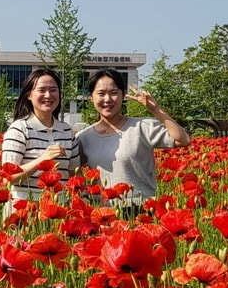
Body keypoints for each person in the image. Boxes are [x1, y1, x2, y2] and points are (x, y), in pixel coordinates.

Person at [76, 68, 191, 212]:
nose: (107, 99)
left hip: (142, 210)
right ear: (91, 97)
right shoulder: (84, 137)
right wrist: (85, 196)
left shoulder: (142, 127)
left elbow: (183, 139)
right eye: (101, 93)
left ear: (123, 95)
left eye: (114, 93)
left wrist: (156, 109)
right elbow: (73, 171)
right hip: (105, 213)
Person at [0, 68, 78, 219]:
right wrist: (43, 159)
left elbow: (74, 174)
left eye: (53, 90)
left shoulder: (67, 131)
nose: (48, 95)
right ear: (29, 95)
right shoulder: (19, 129)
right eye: (42, 90)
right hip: (24, 212)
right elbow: (8, 177)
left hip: (58, 210)